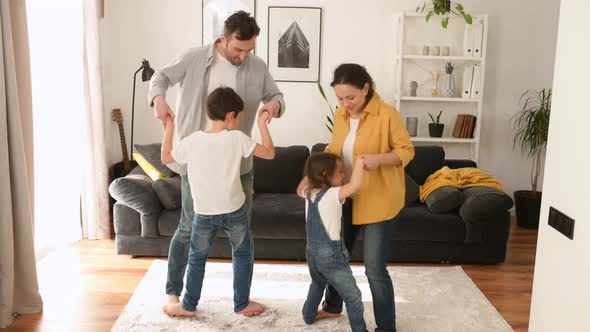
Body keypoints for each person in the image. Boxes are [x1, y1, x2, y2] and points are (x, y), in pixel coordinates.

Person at [147, 11, 285, 316]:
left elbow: (275, 95)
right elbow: (161, 77)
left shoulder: (256, 66)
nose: (243, 56)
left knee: (241, 236)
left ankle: (238, 299)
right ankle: (174, 292)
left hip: (240, 168)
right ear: (224, 38)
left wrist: (274, 105)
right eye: (238, 49)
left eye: (249, 49)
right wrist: (158, 99)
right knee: (187, 229)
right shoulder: (195, 58)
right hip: (196, 167)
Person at [160, 87, 275, 317]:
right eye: (239, 117)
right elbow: (270, 153)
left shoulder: (193, 141)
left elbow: (166, 157)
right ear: (230, 115)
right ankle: (242, 304)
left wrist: (170, 126)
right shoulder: (237, 138)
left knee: (197, 259)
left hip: (204, 213)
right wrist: (263, 124)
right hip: (235, 210)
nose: (239, 122)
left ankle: (188, 305)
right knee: (242, 255)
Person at [321, 63, 415, 332]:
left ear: (366, 88)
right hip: (346, 197)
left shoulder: (388, 115)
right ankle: (332, 306)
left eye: (350, 97)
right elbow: (336, 146)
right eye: (340, 98)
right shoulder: (340, 115)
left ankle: (386, 327)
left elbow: (407, 151)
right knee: (338, 258)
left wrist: (380, 159)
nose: (345, 103)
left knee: (374, 269)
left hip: (380, 201)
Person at [297, 153, 368, 332]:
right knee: (353, 298)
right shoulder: (333, 195)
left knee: (317, 283)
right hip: (331, 258)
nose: (344, 175)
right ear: (325, 175)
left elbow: (300, 187)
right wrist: (360, 163)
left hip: (312, 253)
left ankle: (308, 315)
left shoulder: (308, 192)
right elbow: (355, 185)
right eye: (340, 172)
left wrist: (312, 173)